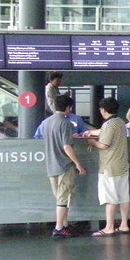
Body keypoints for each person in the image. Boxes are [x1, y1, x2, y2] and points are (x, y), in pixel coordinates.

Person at [39, 94, 87, 237]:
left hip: (51, 166)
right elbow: (67, 147)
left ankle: (65, 225)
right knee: (63, 198)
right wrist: (78, 164)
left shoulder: (46, 122)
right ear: (68, 107)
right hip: (64, 166)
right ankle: (59, 228)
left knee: (60, 197)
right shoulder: (65, 123)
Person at [86, 97, 130, 236]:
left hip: (109, 167)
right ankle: (124, 225)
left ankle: (109, 227)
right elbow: (103, 131)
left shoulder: (109, 125)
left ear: (103, 110)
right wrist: (91, 132)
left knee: (110, 198)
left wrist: (92, 142)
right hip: (122, 165)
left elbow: (104, 145)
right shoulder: (120, 122)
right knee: (124, 197)